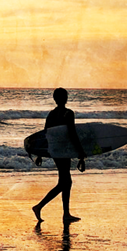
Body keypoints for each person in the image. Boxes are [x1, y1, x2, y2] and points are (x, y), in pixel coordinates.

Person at [33, 88, 85, 224]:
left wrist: (40, 153)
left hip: (55, 150)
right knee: (65, 182)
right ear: (65, 98)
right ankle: (39, 206)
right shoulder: (68, 113)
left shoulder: (51, 114)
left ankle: (66, 214)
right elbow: (72, 134)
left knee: (65, 181)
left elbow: (45, 134)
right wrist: (80, 152)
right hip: (64, 151)